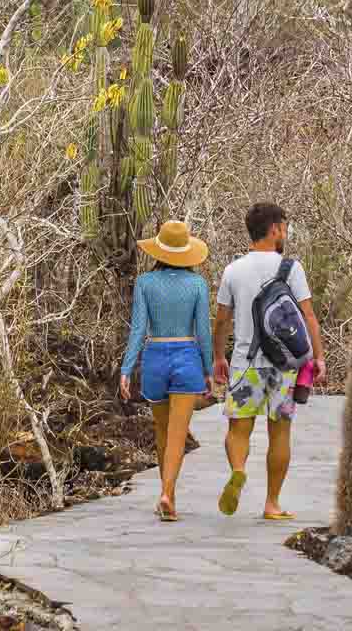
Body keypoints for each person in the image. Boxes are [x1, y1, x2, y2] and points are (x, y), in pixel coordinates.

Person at [213, 202, 325, 520]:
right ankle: (272, 503)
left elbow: (221, 320)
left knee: (238, 430)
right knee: (280, 432)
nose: (285, 233)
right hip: (286, 366)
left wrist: (219, 356)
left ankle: (238, 470)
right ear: (274, 229)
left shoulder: (233, 270)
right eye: (284, 227)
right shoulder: (291, 268)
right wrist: (318, 356)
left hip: (245, 363)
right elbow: (307, 315)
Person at [119, 219, 214, 522]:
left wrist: (126, 368)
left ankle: (167, 494)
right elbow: (203, 331)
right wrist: (209, 368)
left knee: (162, 431)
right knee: (177, 434)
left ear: (159, 249)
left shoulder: (145, 283)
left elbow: (138, 330)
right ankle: (167, 494)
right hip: (187, 358)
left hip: (155, 357)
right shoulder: (197, 284)